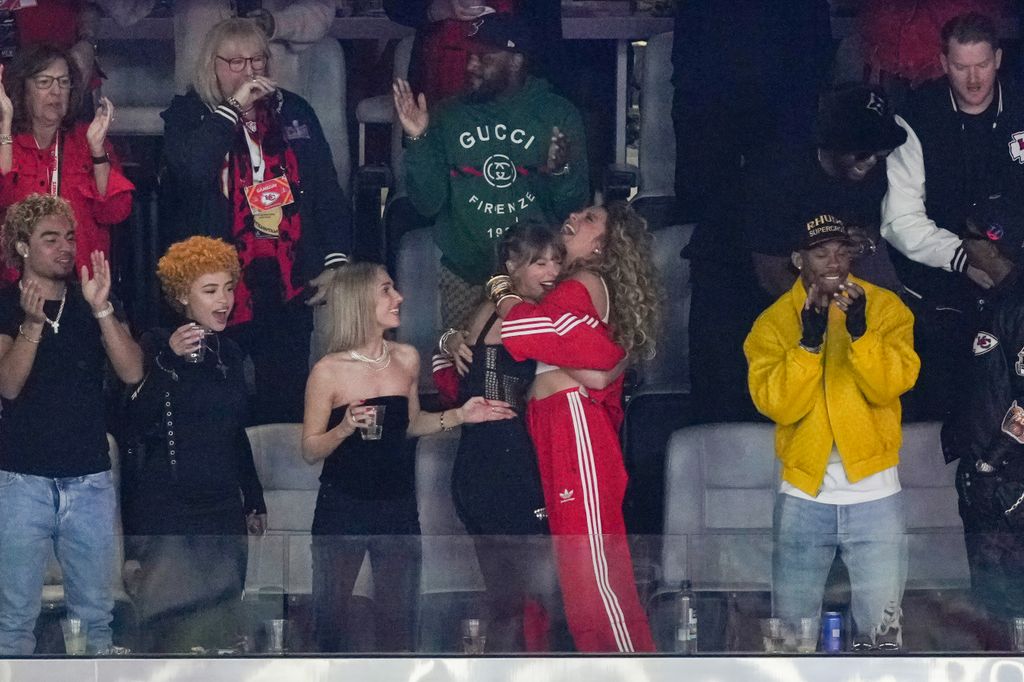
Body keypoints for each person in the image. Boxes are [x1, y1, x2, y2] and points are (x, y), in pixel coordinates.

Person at [301, 262, 515, 653]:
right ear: (360, 301)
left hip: (398, 505)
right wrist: (345, 427)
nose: (399, 298)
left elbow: (412, 423)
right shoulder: (328, 371)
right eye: (386, 290)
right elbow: (311, 449)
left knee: (399, 625)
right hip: (342, 506)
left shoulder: (406, 358)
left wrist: (461, 415)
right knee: (330, 623)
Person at [433, 222, 619, 651]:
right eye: (539, 262)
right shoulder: (523, 319)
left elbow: (451, 380)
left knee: (506, 604)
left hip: (473, 468)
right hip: (509, 467)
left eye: (556, 259)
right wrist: (622, 352)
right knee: (544, 601)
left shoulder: (482, 312)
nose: (552, 270)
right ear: (512, 265)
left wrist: (447, 343)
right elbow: (600, 370)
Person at [160, 17, 352, 424]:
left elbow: (324, 188)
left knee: (285, 401)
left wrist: (334, 260)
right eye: (236, 62)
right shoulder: (188, 112)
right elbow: (193, 170)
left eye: (258, 61)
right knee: (216, 405)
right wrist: (233, 109)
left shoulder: (294, 110)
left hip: (285, 276)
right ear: (212, 64)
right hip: (217, 283)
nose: (250, 72)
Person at [744, 213, 920, 649]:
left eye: (843, 252)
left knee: (883, 635)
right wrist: (807, 344)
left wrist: (859, 332)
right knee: (790, 635)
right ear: (798, 258)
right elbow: (778, 405)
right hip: (804, 493)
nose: (834, 262)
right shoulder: (772, 322)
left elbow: (892, 385)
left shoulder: (884, 307)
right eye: (821, 253)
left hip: (875, 491)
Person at [493, 201, 659, 653]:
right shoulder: (572, 286)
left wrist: (504, 296)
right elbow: (599, 364)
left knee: (593, 571)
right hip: (555, 420)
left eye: (591, 219)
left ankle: (633, 667)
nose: (577, 216)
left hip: (572, 421)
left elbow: (531, 334)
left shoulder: (583, 281)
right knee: (572, 568)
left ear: (603, 246)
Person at [695, 84, 909, 424]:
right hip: (733, 278)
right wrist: (834, 322)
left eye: (879, 153)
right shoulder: (776, 172)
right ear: (832, 143)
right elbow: (771, 274)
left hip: (805, 277)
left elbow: (869, 229)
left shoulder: (871, 172)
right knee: (738, 401)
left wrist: (863, 243)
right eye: (861, 152)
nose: (870, 161)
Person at [0, 193, 143, 654]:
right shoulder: (5, 304)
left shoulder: (91, 300)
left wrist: (102, 309)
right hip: (22, 478)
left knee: (95, 619)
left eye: (69, 237)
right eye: (50, 238)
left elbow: (133, 372)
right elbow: (7, 384)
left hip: (90, 478)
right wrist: (32, 323)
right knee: (14, 619)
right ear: (22, 247)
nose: (65, 247)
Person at [392, 12, 590, 330]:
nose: (471, 66)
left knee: (537, 371)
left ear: (515, 60)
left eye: (484, 58)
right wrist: (418, 140)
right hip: (465, 271)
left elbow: (572, 210)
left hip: (537, 275)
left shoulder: (558, 114)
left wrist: (560, 170)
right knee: (464, 369)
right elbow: (427, 203)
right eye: (470, 56)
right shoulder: (448, 115)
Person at [120, 235, 267, 653]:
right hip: (170, 507)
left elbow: (235, 431)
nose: (224, 300)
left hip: (222, 506)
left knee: (223, 632)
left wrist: (253, 497)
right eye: (210, 290)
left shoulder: (232, 352)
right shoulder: (154, 344)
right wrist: (166, 360)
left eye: (228, 288)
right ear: (183, 296)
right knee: (172, 633)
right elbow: (133, 421)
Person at [882, 12, 1023, 420]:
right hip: (940, 288)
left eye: (982, 65)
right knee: (948, 402)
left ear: (998, 58)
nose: (974, 79)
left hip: (1017, 276)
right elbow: (900, 219)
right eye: (962, 67)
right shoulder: (915, 117)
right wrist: (962, 256)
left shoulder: (1020, 103)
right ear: (944, 64)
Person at [941, 194, 1024, 650]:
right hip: (990, 475)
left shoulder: (1019, 305)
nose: (962, 244)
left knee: (1009, 600)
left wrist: (992, 463)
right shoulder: (995, 298)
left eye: (968, 237)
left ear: (994, 246)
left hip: (1011, 480)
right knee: (992, 598)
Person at [0, 43, 133, 284]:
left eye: (63, 82)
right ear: (23, 89)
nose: (56, 91)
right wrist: (5, 125)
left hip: (82, 284)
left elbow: (115, 212)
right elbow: (4, 197)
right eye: (44, 82)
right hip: (16, 282)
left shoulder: (87, 138)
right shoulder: (9, 142)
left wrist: (97, 150)